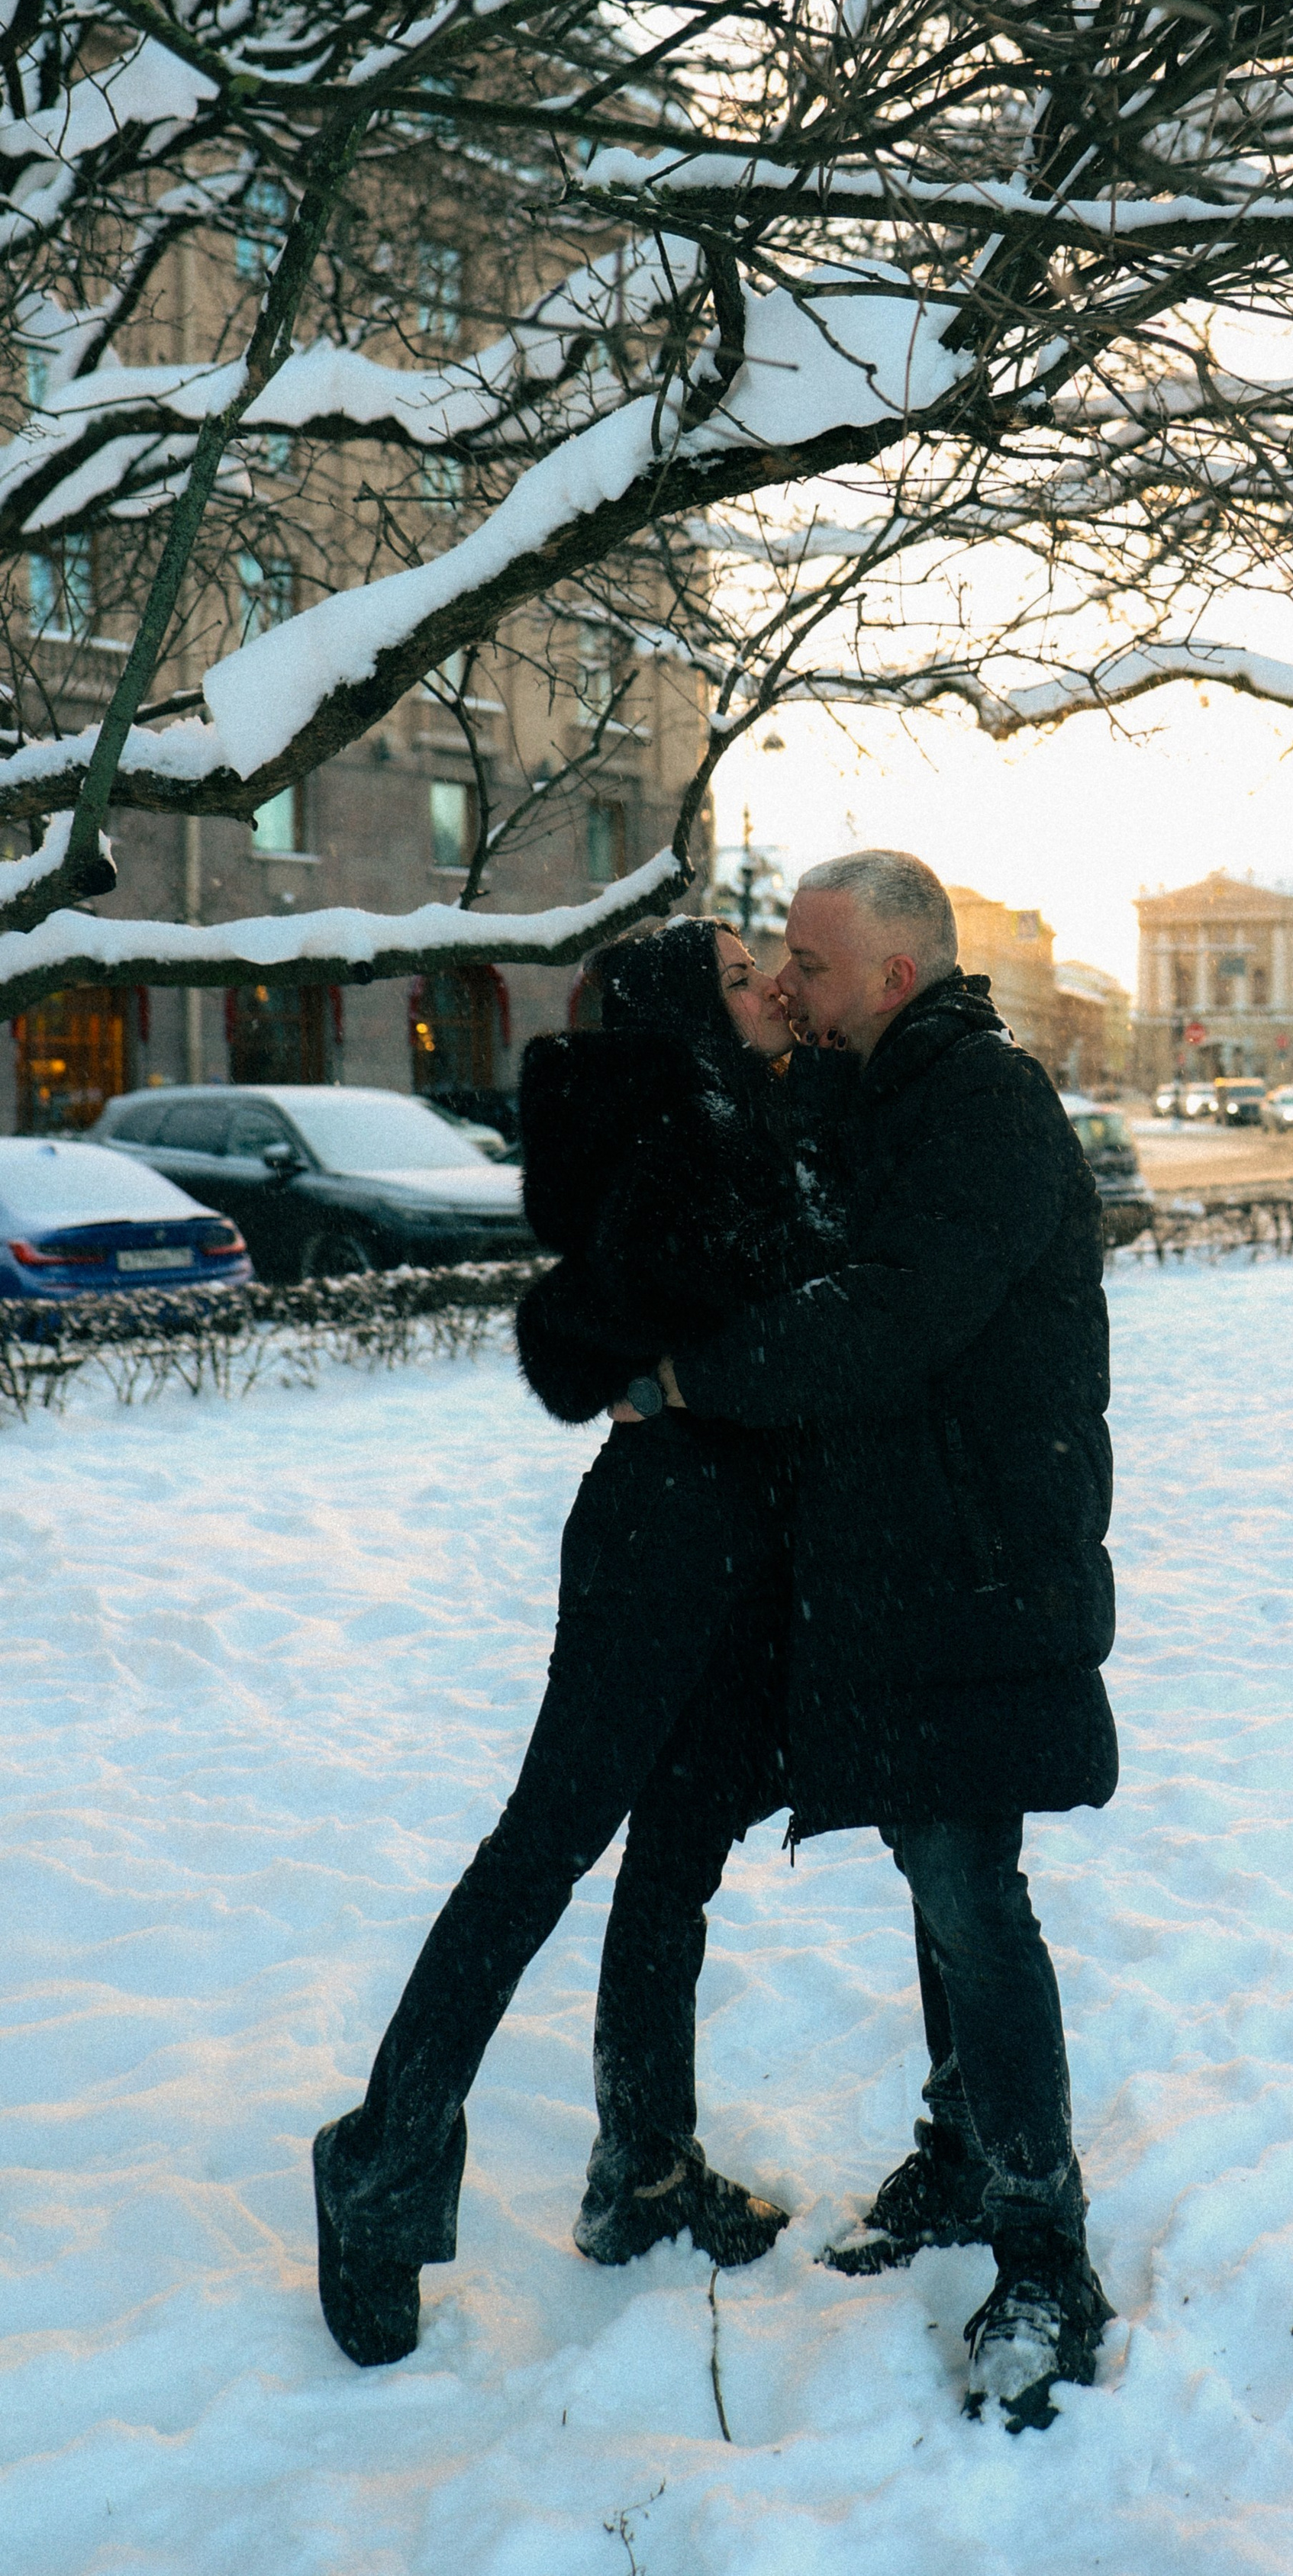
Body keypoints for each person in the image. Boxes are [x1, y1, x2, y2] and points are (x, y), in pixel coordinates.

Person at [641, 851, 1120, 2433]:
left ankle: (1045, 2251)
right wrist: (761, 1039)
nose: (790, 984)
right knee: (935, 1870)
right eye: (776, 961)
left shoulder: (977, 1101)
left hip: (979, 1567)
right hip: (908, 1568)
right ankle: (963, 2147)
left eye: (813, 964)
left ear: (894, 978)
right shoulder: (873, 1090)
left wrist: (696, 1376)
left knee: (973, 1895)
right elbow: (753, 1190)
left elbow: (887, 1316)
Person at [312, 918, 832, 2368]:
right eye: (743, 978)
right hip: (664, 1541)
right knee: (545, 1847)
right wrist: (656, 1365)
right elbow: (616, 1313)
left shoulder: (753, 1115)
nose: (776, 986)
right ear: (692, 1021)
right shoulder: (688, 1142)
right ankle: (381, 2164)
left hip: (738, 1546)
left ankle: (643, 2167)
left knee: (675, 1857)